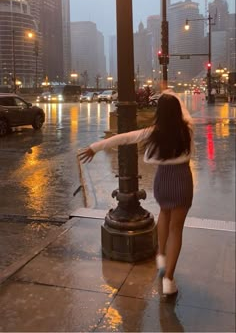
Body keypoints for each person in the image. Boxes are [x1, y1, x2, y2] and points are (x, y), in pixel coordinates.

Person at [78, 90, 194, 296]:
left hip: (163, 181)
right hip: (182, 181)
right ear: (177, 111)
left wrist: (95, 147)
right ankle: (168, 279)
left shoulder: (153, 132)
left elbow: (124, 138)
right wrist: (170, 92)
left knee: (164, 215)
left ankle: (160, 256)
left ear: (160, 112)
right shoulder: (188, 129)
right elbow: (183, 110)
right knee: (177, 229)